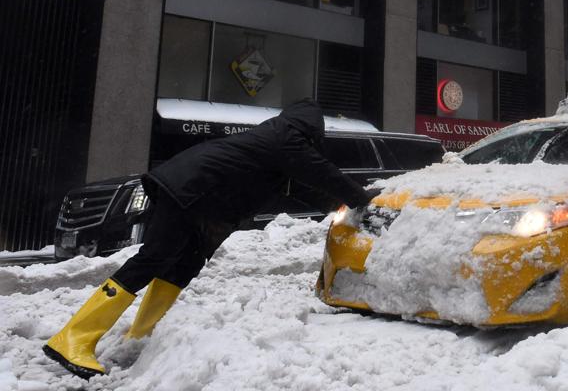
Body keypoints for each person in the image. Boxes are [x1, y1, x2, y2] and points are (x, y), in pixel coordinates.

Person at [43, 99, 374, 379]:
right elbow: (323, 173)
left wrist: (338, 205)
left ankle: (140, 334)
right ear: (312, 129)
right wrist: (365, 199)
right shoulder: (285, 138)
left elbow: (301, 188)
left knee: (181, 267)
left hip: (201, 202)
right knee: (153, 259)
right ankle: (73, 338)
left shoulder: (274, 144)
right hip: (189, 192)